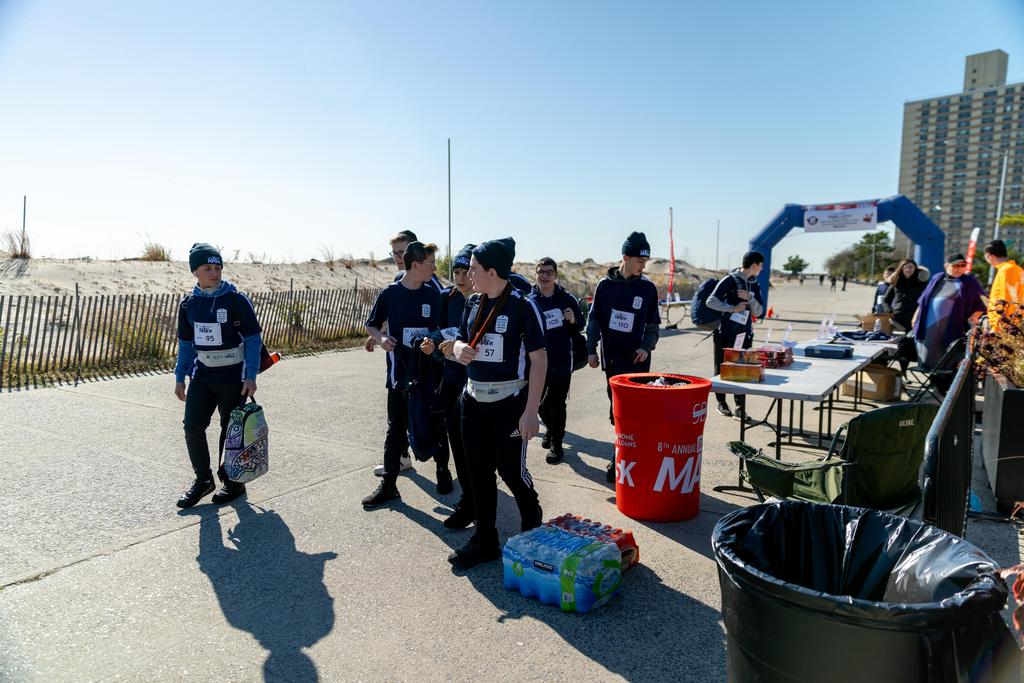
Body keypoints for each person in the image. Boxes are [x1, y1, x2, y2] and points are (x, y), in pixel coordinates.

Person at [448, 237, 547, 570]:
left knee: (511, 471)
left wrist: (531, 411)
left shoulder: (522, 305)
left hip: (510, 402)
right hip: (473, 399)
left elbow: (539, 359)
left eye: (474, 268)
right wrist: (458, 349)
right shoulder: (472, 303)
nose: (468, 274)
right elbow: (460, 339)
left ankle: (531, 522)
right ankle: (485, 539)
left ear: (492, 272)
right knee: (477, 472)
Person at [174, 243, 263, 508]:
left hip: (234, 378)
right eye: (207, 268)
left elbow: (253, 340)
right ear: (195, 272)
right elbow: (186, 345)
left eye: (218, 267)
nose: (214, 273)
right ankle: (203, 480)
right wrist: (179, 377)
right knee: (192, 426)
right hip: (202, 377)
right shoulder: (188, 305)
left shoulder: (236, 300)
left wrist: (251, 375)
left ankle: (234, 481)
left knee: (232, 430)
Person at [362, 241, 443, 508]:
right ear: (416, 265)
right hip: (399, 375)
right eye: (431, 264)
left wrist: (433, 341)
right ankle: (389, 485)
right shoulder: (390, 294)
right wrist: (382, 338)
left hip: (428, 373)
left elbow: (442, 329)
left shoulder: (433, 295)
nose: (434, 268)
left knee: (435, 423)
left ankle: (443, 470)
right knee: (395, 429)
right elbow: (371, 325)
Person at [586, 231, 660, 482]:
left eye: (646, 261)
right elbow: (594, 319)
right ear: (625, 257)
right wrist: (591, 349)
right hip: (613, 360)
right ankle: (623, 452)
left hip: (638, 360)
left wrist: (646, 347)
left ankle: (626, 455)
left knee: (635, 411)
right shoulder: (605, 286)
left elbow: (653, 326)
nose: (643, 266)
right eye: (640, 260)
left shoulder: (647, 288)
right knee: (617, 410)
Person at [419, 244, 476, 529]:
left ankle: (481, 496)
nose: (461, 277)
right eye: (456, 271)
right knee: (457, 439)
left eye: (466, 271)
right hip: (453, 380)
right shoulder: (446, 298)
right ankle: (469, 500)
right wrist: (432, 345)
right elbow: (440, 332)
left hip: (480, 383)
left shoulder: (486, 300)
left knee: (480, 446)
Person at [530, 257, 585, 464]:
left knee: (557, 403)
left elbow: (581, 324)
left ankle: (557, 444)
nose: (545, 276)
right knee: (538, 403)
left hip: (562, 361)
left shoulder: (566, 299)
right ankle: (552, 430)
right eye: (541, 272)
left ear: (556, 275)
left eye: (549, 272)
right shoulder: (530, 300)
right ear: (536, 274)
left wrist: (573, 319)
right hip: (537, 362)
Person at [911, 252, 985, 390]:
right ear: (946, 266)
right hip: (929, 327)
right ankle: (934, 389)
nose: (959, 268)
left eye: (963, 265)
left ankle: (944, 392)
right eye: (956, 265)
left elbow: (982, 302)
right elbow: (924, 299)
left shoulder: (968, 281)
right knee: (929, 359)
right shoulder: (937, 278)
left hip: (952, 328)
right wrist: (916, 316)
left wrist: (974, 317)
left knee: (947, 360)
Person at [707, 251, 765, 419]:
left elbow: (759, 312)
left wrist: (750, 298)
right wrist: (732, 308)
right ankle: (721, 403)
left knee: (743, 370)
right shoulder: (729, 280)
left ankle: (740, 407)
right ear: (754, 265)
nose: (761, 269)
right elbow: (711, 301)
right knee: (721, 367)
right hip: (724, 334)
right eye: (761, 266)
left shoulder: (754, 284)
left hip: (744, 335)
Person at [884, 259, 930, 374]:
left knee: (908, 346)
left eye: (911, 267)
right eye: (906, 267)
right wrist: (889, 311)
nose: (909, 269)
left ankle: (903, 371)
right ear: (902, 269)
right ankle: (894, 372)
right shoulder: (896, 282)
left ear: (915, 269)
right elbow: (885, 300)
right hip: (897, 320)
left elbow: (928, 300)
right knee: (895, 346)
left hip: (915, 320)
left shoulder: (922, 283)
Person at [983, 240, 1024, 330]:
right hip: (1015, 324)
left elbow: (1006, 299)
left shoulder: (1006, 271)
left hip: (1007, 326)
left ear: (989, 256)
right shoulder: (1018, 269)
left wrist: (998, 326)